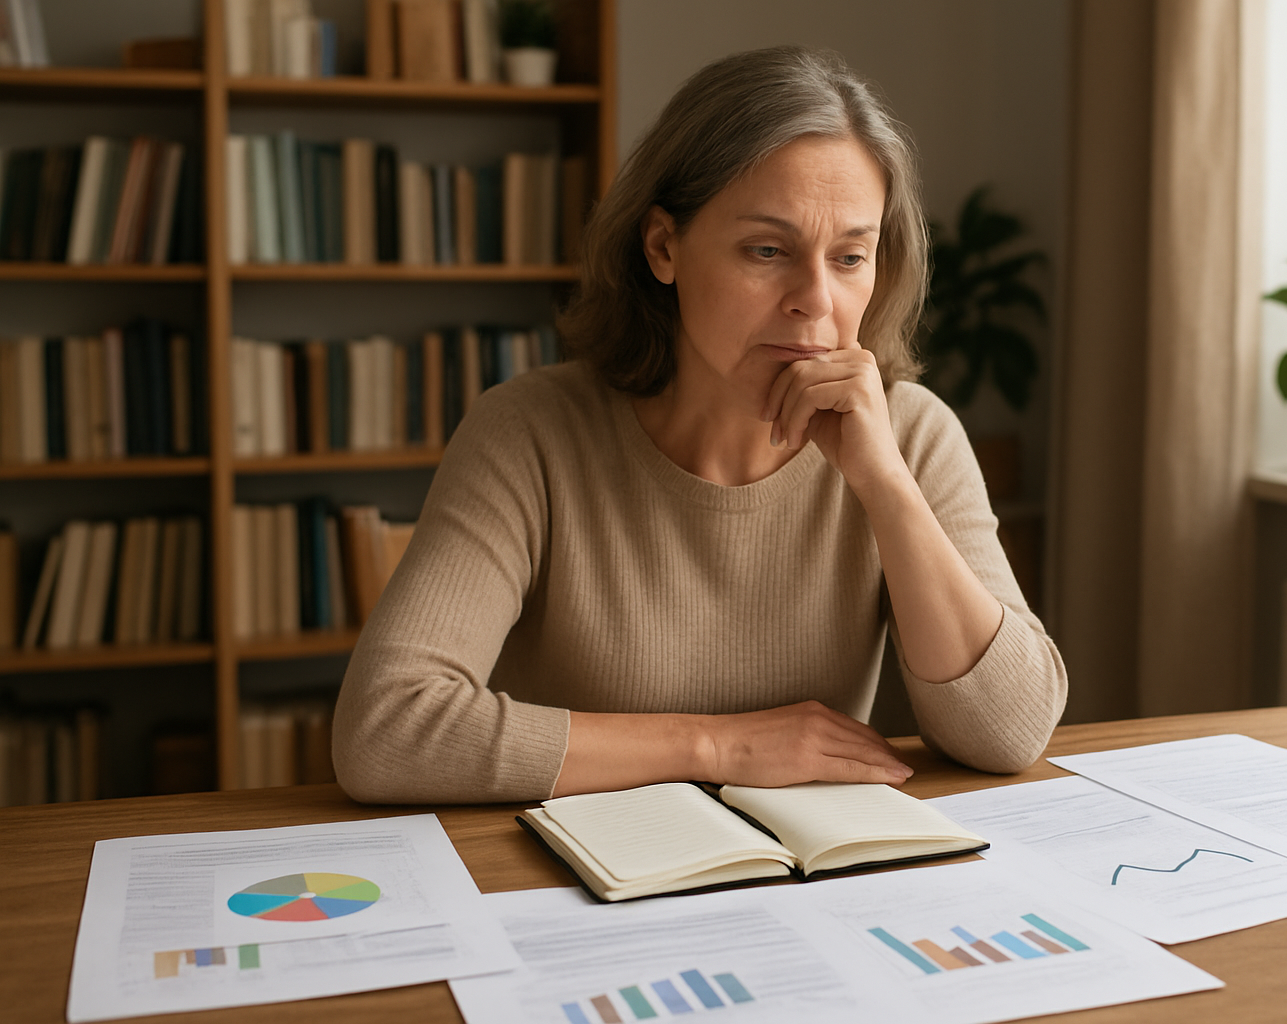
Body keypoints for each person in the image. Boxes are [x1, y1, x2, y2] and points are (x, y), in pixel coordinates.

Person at [332, 45, 1067, 804]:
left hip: (804, 889)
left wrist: (885, 486)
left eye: (850, 257)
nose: (815, 300)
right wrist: (717, 745)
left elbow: (1009, 734)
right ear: (663, 246)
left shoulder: (912, 436)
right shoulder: (528, 433)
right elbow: (386, 730)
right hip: (575, 887)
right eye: (767, 250)